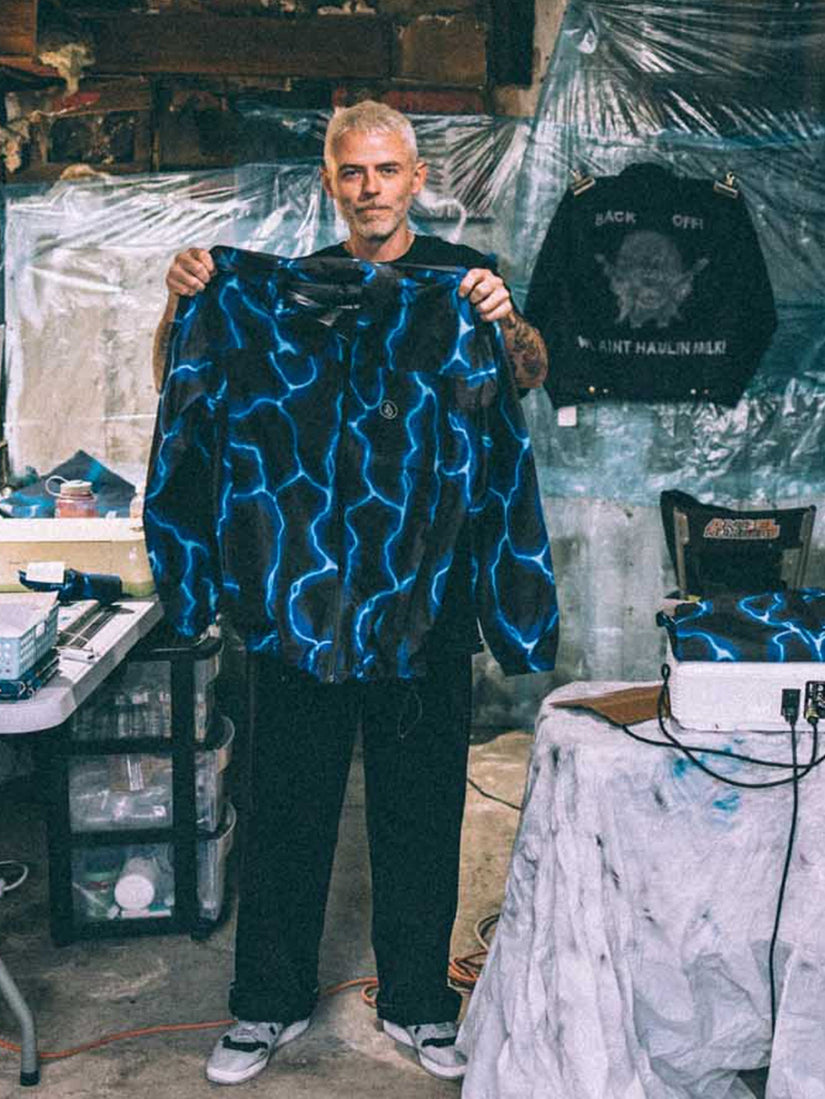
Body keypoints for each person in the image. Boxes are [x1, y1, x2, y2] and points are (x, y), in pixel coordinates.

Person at [151, 100, 549, 1086]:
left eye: (386, 169)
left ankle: (419, 1001)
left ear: (417, 178)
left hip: (423, 602)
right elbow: (187, 384)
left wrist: (506, 320)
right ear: (330, 183)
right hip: (302, 598)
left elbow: (524, 386)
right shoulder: (276, 293)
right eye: (353, 172)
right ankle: (266, 1003)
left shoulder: (463, 281)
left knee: (420, 810)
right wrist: (184, 302)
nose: (371, 187)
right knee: (284, 807)